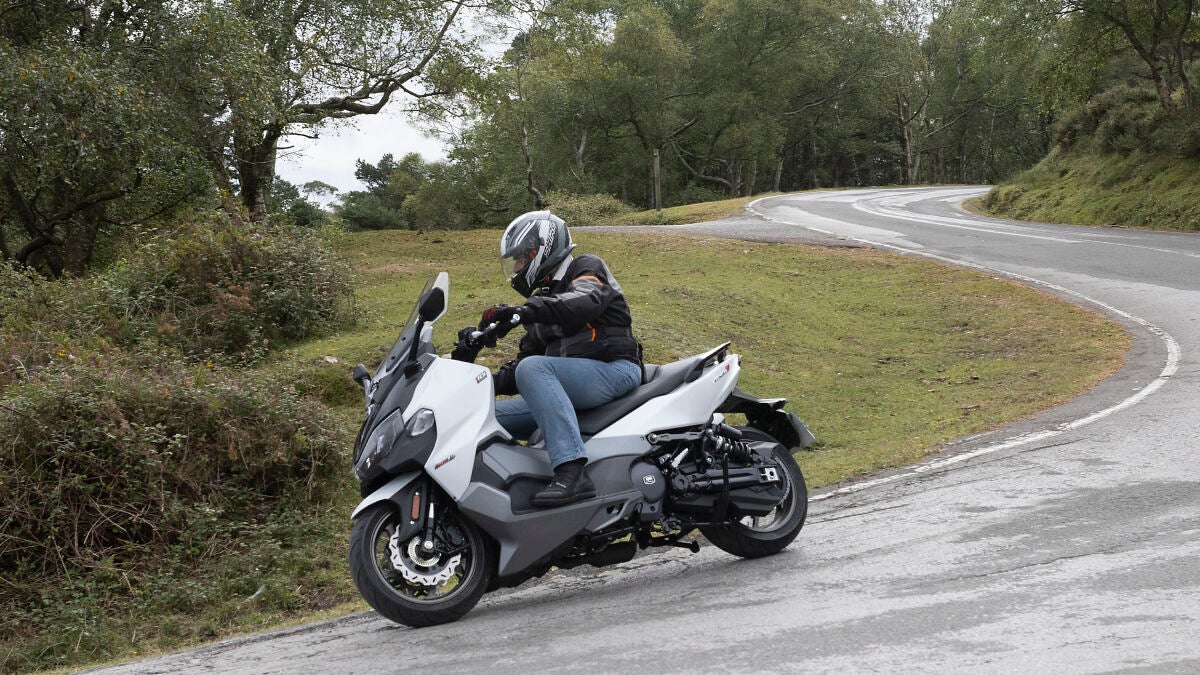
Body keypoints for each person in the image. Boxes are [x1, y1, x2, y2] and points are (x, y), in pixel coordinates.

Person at [454, 211, 642, 507]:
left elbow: (586, 301)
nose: (516, 268)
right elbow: (520, 371)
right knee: (482, 416)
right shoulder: (542, 299)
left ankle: (572, 471)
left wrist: (525, 312)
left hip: (616, 369)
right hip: (570, 387)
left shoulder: (586, 267)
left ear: (539, 249)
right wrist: (468, 369)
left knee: (533, 368)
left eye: (519, 258)